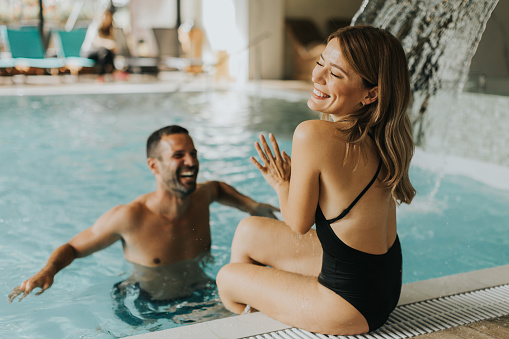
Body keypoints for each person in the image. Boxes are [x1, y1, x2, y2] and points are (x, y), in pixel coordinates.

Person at [216, 25, 416, 336]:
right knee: (249, 230)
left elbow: (298, 224)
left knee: (228, 278)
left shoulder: (313, 134)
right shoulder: (384, 135)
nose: (317, 77)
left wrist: (283, 183)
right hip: (384, 286)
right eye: (321, 62)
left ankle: (254, 320)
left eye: (335, 74)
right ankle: (265, 301)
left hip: (348, 305)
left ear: (370, 93)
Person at [8, 125, 278, 304]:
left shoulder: (202, 197)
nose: (192, 162)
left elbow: (218, 188)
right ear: (153, 165)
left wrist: (251, 206)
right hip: (148, 304)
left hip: (201, 292)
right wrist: (48, 270)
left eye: (193, 154)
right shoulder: (130, 217)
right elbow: (74, 247)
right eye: (179, 155)